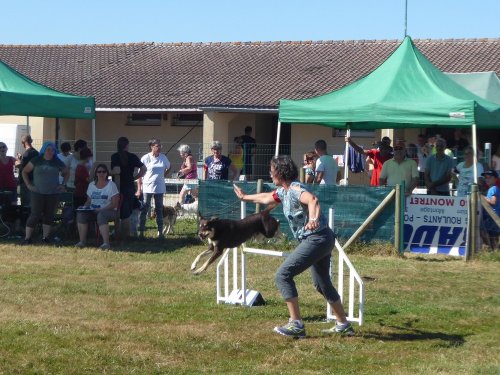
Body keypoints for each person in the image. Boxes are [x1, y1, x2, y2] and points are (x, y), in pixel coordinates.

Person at [233, 155, 354, 339]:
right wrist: (244, 197)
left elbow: (313, 200)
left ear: (281, 173)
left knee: (283, 275)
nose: (270, 173)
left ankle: (296, 324)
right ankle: (343, 324)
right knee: (322, 284)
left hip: (316, 238)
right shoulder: (283, 191)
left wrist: (313, 219)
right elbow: (266, 197)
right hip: (321, 239)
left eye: (272, 170)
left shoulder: (297, 189)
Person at [21, 141, 68, 245]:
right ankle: (27, 238)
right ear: (43, 150)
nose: (50, 152)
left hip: (53, 193)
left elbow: (66, 172)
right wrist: (28, 185)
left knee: (49, 215)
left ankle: (45, 238)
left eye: (52, 150)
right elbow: (24, 171)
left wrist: (63, 184)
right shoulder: (36, 160)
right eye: (48, 149)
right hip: (37, 192)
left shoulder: (57, 161)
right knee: (35, 215)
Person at [75, 164, 119, 249]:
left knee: (101, 215)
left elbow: (114, 203)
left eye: (104, 171)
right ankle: (82, 242)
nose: (101, 173)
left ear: (107, 173)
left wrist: (101, 209)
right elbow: (88, 201)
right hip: (93, 210)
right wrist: (85, 207)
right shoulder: (91, 185)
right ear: (96, 173)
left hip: (110, 211)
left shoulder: (111, 185)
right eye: (99, 172)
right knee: (81, 214)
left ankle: (106, 243)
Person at [111, 136, 147, 239]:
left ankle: (118, 234)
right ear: (127, 145)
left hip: (117, 187)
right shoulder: (133, 157)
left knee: (117, 211)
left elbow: (117, 171)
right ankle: (127, 236)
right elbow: (144, 169)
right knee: (126, 213)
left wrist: (107, 173)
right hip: (129, 187)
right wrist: (135, 177)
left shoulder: (115, 156)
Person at [137, 138, 171, 239]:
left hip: (159, 188)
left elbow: (169, 167)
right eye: (157, 146)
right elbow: (140, 174)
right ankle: (141, 232)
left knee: (159, 209)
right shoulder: (145, 158)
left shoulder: (163, 157)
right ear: (152, 146)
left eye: (160, 146)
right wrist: (139, 188)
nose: (159, 147)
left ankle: (160, 233)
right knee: (144, 209)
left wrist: (162, 175)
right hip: (147, 187)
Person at [15, 134, 39, 208]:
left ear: (24, 143)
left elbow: (23, 169)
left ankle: (23, 218)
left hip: (25, 182)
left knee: (23, 203)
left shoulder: (27, 154)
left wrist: (18, 162)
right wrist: (21, 158)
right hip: (34, 180)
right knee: (32, 203)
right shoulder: (36, 152)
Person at [479, 170, 499, 250]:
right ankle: (493, 249)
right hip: (492, 216)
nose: (487, 179)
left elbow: (493, 202)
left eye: (489, 177)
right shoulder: (493, 188)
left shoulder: (493, 188)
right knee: (493, 235)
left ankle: (490, 248)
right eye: (486, 178)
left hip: (492, 216)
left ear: (495, 179)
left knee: (484, 231)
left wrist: (481, 196)